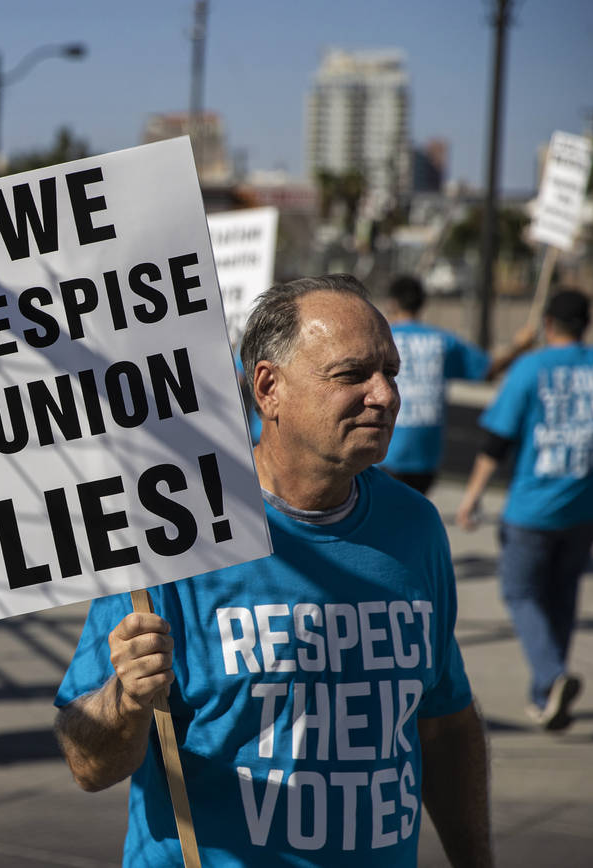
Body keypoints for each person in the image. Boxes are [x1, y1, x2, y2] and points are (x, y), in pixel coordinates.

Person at [55, 275, 491, 867]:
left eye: (390, 371)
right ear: (269, 388)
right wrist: (125, 701)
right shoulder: (175, 531)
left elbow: (443, 723)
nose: (385, 395)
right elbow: (87, 765)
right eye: (352, 374)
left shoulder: (415, 527)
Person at [455, 288, 593, 732]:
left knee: (520, 592)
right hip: (583, 508)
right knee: (562, 596)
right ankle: (545, 692)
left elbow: (497, 441)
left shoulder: (531, 368)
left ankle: (551, 677)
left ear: (548, 324)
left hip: (532, 508)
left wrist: (472, 495)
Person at [380, 274, 533, 493]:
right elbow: (487, 369)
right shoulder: (442, 340)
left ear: (391, 303)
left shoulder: (382, 338)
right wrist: (519, 346)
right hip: (426, 455)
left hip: (385, 451)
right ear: (422, 303)